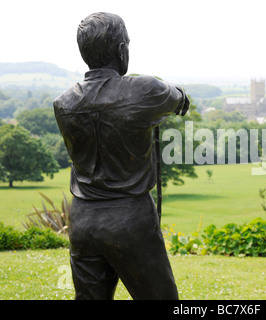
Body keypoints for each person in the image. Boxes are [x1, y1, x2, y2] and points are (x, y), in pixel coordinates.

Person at [53, 12, 189, 300]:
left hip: (82, 219)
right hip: (130, 219)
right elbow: (178, 98)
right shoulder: (144, 90)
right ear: (121, 50)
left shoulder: (63, 102)